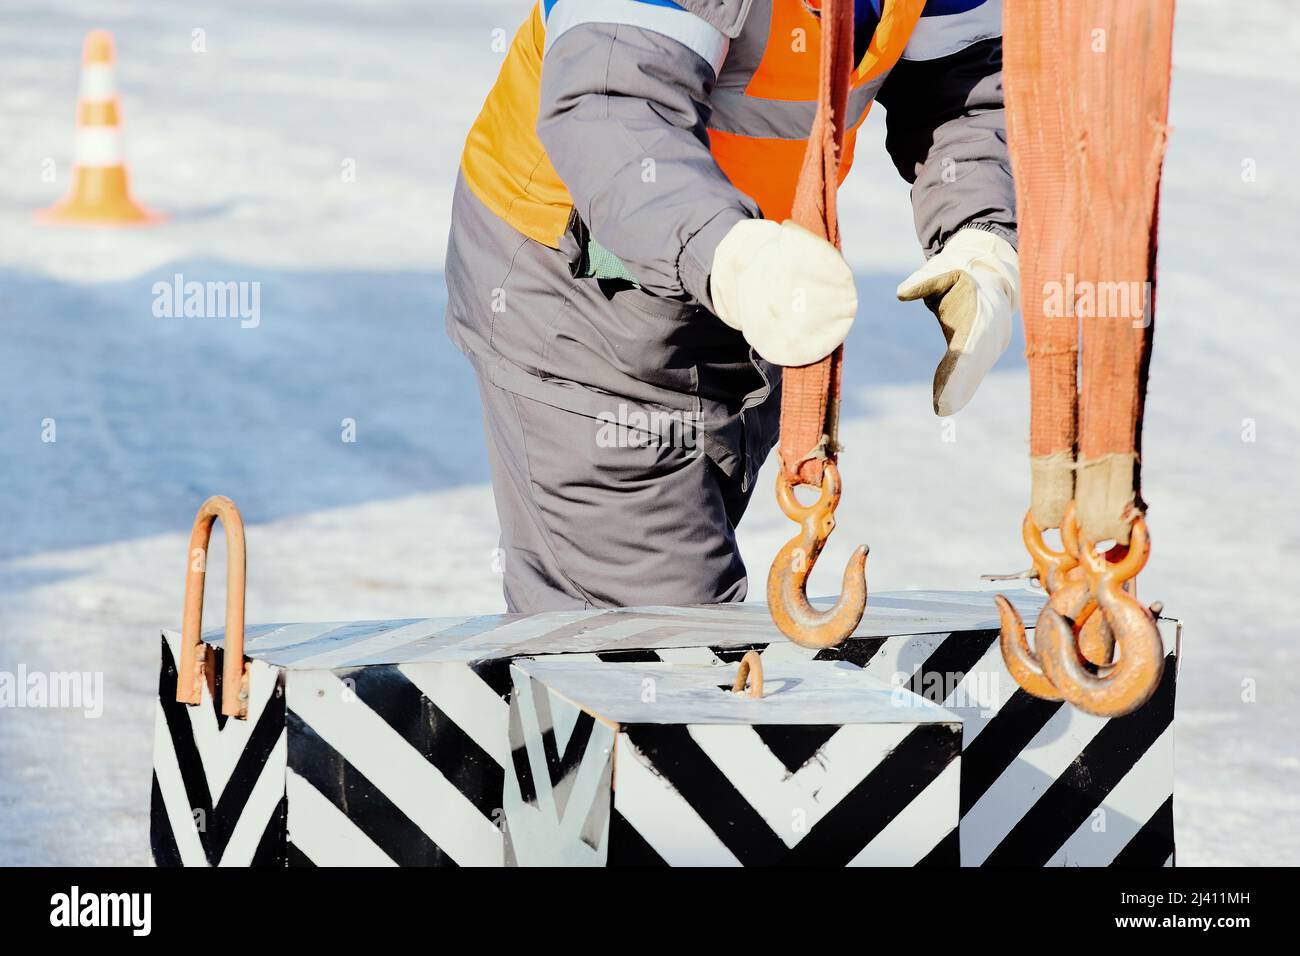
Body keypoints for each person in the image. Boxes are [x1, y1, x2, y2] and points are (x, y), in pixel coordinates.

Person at [445, 0, 1019, 613]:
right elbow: (612, 106)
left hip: (747, 275)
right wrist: (729, 256)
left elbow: (960, 80)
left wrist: (980, 231)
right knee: (651, 636)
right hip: (585, 289)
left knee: (662, 598)